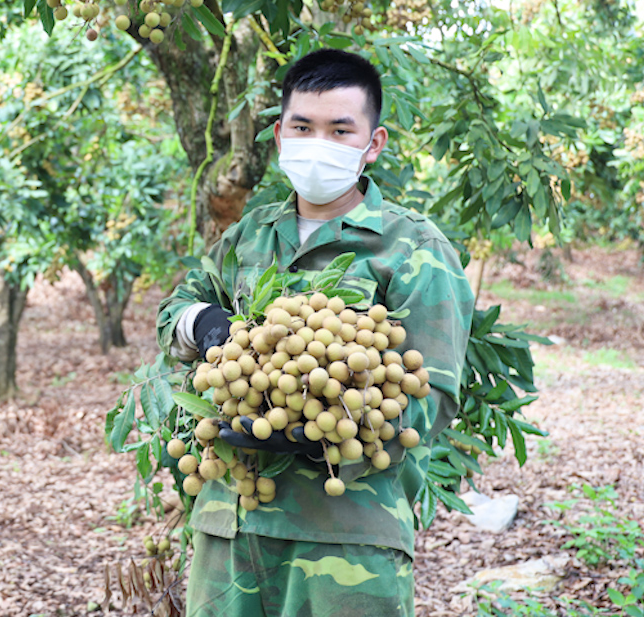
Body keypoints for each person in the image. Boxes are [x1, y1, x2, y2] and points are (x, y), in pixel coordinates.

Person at [157, 48, 474, 616]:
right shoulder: (251, 234)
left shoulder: (414, 249)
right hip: (230, 526)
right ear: (280, 135)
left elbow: (434, 396)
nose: (319, 143)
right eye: (304, 128)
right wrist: (202, 323)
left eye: (340, 129)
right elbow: (177, 308)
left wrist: (321, 428)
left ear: (372, 143)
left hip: (347, 538)